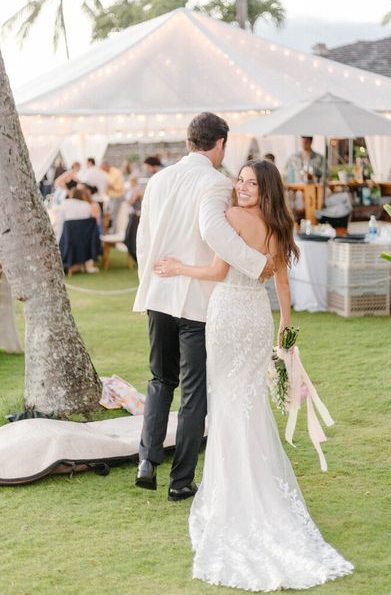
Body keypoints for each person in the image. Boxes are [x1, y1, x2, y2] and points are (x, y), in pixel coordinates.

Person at [154, 159, 354, 591]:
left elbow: (217, 272)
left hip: (227, 316)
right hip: (258, 318)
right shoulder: (280, 225)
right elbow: (283, 288)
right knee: (247, 402)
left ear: (264, 188)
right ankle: (254, 484)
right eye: (239, 181)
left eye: (249, 183)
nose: (241, 188)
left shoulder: (227, 219)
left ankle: (234, 494)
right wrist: (286, 331)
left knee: (227, 403)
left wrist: (177, 268)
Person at [133, 112, 275, 502]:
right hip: (197, 299)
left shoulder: (158, 181)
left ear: (189, 141)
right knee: (195, 392)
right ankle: (180, 481)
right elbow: (214, 232)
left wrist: (149, 284)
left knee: (160, 380)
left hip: (161, 294)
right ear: (220, 144)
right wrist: (258, 265)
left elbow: (143, 241)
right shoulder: (215, 183)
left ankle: (147, 462)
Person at [101, 160, 124, 233]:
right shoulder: (107, 173)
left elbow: (110, 184)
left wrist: (108, 185)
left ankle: (114, 232)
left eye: (103, 169)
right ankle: (110, 231)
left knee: (114, 215)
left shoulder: (115, 172)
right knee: (108, 215)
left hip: (117, 197)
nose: (102, 170)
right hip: (110, 197)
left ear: (106, 166)